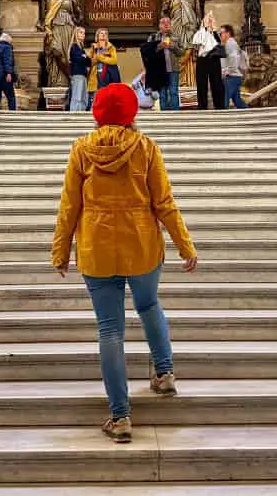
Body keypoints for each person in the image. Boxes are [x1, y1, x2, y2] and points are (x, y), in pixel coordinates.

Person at [52, 82, 198, 443]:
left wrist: (60, 251)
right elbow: (164, 202)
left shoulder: (81, 150)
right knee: (149, 305)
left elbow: (70, 206)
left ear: (96, 111)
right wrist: (185, 245)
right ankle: (164, 374)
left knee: (110, 330)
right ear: (133, 112)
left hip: (97, 250)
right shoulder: (146, 148)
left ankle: (120, 416)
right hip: (142, 245)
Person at [191, 11, 224, 110]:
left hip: (214, 60)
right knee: (201, 84)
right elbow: (197, 44)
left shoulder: (216, 34)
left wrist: (213, 31)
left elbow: (219, 45)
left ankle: (219, 106)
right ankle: (202, 106)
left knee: (217, 83)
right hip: (202, 60)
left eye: (211, 20)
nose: (210, 22)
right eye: (208, 20)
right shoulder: (200, 33)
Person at [150, 16, 184, 111]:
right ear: (159, 25)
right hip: (160, 70)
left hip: (173, 69)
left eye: (168, 22)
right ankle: (163, 114)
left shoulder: (176, 36)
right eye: (163, 22)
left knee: (173, 92)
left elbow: (182, 52)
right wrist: (159, 46)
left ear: (171, 25)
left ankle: (176, 114)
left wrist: (173, 46)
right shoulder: (154, 37)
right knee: (163, 93)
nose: (166, 24)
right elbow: (148, 52)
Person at [88, 28, 119, 106]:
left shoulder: (111, 47)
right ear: (97, 36)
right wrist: (96, 58)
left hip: (108, 76)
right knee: (96, 99)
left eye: (105, 33)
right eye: (101, 33)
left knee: (108, 99)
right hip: (95, 76)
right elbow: (89, 62)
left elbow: (114, 60)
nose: (103, 35)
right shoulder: (93, 47)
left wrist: (100, 58)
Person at [220, 24, 248, 110]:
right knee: (238, 101)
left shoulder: (230, 43)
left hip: (231, 76)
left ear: (228, 33)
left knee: (223, 100)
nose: (220, 35)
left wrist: (228, 71)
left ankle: (221, 120)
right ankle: (250, 113)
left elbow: (234, 58)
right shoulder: (232, 43)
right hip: (235, 76)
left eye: (221, 33)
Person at [69, 26, 91, 112]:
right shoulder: (74, 47)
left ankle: (81, 113)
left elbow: (89, 62)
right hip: (77, 75)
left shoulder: (81, 48)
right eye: (81, 32)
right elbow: (79, 59)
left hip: (83, 75)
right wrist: (85, 57)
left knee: (83, 97)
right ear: (76, 34)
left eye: (84, 33)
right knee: (77, 97)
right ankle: (74, 116)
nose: (83, 35)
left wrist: (85, 57)